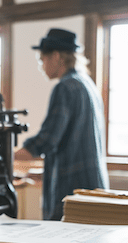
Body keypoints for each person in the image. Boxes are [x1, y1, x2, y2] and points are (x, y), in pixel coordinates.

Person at [15, 28, 109, 220]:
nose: (42, 66)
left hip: (73, 194)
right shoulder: (87, 84)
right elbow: (72, 144)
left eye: (43, 59)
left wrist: (6, 158)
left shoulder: (65, 88)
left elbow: (47, 141)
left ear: (56, 56)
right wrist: (42, 173)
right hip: (93, 189)